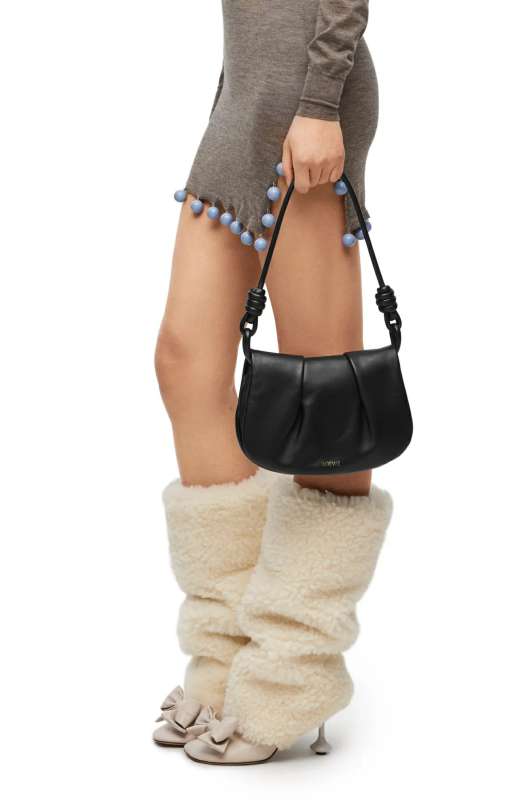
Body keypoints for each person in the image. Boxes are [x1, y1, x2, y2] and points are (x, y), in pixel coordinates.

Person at [153, 0, 393, 766]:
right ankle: (225, 657)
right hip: (245, 97)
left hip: (307, 102)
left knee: (325, 396)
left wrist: (320, 104)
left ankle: (291, 673)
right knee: (184, 361)